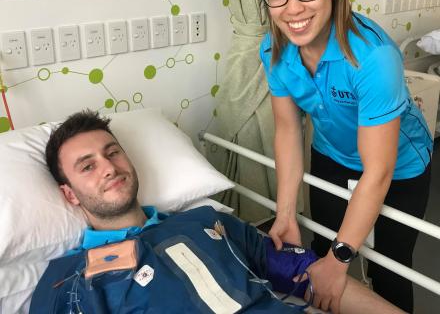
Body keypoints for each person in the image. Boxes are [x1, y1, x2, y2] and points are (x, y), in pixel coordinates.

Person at [30, 110, 404, 314]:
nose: (108, 167)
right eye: (87, 166)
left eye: (112, 152)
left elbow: (310, 274)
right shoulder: (70, 279)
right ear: (70, 194)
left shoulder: (206, 221)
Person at [257, 0, 432, 314]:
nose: (291, 9)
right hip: (332, 155)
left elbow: (379, 170)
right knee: (321, 246)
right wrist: (285, 213)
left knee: (388, 269)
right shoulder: (274, 51)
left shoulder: (372, 58)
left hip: (399, 168)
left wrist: (341, 260)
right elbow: (287, 130)